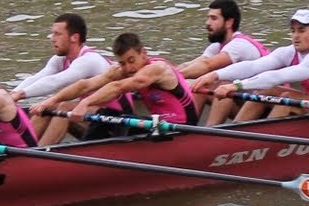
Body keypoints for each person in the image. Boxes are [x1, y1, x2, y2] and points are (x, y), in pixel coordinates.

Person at [37, 32, 199, 145]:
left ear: (143, 53)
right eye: (122, 63)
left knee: (111, 119)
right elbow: (86, 85)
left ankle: (91, 153)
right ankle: (89, 149)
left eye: (131, 60)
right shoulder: (123, 69)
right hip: (158, 123)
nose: (128, 68)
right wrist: (51, 100)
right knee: (104, 115)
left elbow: (118, 87)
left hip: (182, 126)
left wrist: (85, 103)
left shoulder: (157, 68)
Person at [207, 9, 309, 124]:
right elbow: (253, 66)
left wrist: (236, 86)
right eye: (293, 31)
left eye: (302, 30)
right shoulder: (289, 52)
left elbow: (276, 77)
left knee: (287, 97)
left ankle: (261, 142)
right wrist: (214, 75)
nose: (296, 36)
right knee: (265, 91)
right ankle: (236, 130)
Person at [8, 13, 111, 108]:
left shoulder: (89, 60)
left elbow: (55, 81)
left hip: (112, 111)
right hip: (91, 108)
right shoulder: (59, 59)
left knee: (63, 106)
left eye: (57, 34)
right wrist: (12, 94)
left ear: (74, 37)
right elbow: (38, 77)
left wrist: (20, 95)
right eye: (53, 34)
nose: (52, 39)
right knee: (45, 109)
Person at [179, 0, 267, 81]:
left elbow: (207, 65)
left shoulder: (239, 45)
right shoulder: (217, 46)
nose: (207, 23)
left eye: (214, 18)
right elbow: (190, 64)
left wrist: (176, 78)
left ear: (229, 22)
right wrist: (173, 72)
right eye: (208, 18)